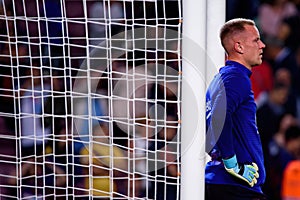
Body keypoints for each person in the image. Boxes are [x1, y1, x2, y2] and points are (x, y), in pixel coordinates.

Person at [205, 18, 267, 200]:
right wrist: (232, 164)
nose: (262, 45)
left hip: (221, 182)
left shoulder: (220, 79)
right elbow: (218, 117)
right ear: (239, 47)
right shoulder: (236, 77)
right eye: (256, 40)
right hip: (236, 187)